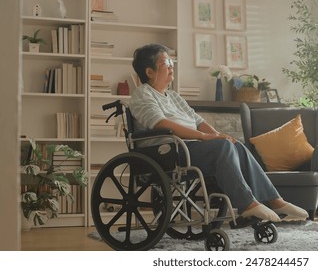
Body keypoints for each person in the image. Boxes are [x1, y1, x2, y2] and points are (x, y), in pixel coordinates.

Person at [129, 43, 308, 222]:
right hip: (167, 152)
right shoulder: (143, 94)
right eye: (165, 62)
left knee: (235, 144)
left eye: (171, 61)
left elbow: (198, 121)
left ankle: (275, 200)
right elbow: (160, 123)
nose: (171, 65)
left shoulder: (174, 96)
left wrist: (218, 135)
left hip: (189, 148)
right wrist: (205, 137)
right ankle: (247, 205)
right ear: (149, 72)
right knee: (222, 147)